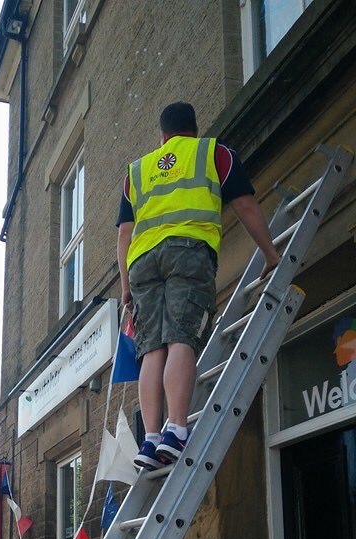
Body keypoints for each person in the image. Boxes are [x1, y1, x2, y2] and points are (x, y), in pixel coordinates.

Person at [117, 101, 280, 470]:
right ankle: (177, 429)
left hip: (143, 263)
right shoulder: (214, 153)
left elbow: (125, 234)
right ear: (195, 128)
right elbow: (246, 206)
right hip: (188, 251)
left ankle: (151, 438)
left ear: (162, 136)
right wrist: (271, 254)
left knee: (152, 349)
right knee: (181, 338)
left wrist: (126, 287)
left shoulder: (137, 172)